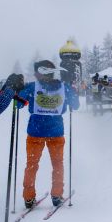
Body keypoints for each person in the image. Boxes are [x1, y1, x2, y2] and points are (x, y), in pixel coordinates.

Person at [18, 61, 79, 208]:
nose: (35, 75)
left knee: (31, 165)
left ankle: (28, 197)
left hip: (35, 132)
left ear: (41, 73)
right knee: (58, 164)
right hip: (56, 133)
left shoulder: (33, 87)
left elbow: (18, 104)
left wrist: (19, 89)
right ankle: (57, 195)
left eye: (36, 73)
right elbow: (76, 105)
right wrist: (72, 90)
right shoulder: (64, 87)